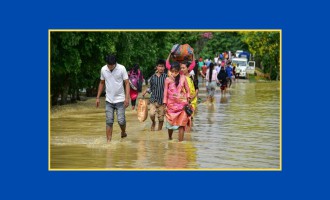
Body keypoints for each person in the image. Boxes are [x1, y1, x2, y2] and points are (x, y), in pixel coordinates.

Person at [96, 54, 130, 143]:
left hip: (120, 100)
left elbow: (126, 83)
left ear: (115, 63)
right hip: (109, 100)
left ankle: (123, 131)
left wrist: (127, 98)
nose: (110, 67)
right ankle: (108, 142)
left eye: (112, 65)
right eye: (109, 65)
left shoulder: (122, 68)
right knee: (109, 121)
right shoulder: (103, 69)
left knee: (121, 121)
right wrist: (98, 97)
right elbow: (102, 83)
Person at [163, 62, 191, 142]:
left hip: (182, 105)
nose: (174, 73)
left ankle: (180, 143)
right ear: (170, 71)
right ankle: (170, 138)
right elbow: (165, 93)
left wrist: (188, 99)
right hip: (171, 105)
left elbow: (188, 90)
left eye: (176, 71)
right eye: (172, 71)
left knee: (182, 124)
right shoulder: (167, 80)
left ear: (179, 71)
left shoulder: (183, 78)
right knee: (170, 124)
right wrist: (164, 104)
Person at [142, 59, 167, 131]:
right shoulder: (153, 77)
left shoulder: (166, 77)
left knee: (161, 118)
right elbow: (151, 87)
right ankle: (153, 122)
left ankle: (159, 131)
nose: (161, 68)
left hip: (162, 101)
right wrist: (146, 91)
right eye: (159, 66)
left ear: (164, 67)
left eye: (162, 66)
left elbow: (169, 88)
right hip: (153, 100)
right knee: (151, 114)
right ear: (157, 67)